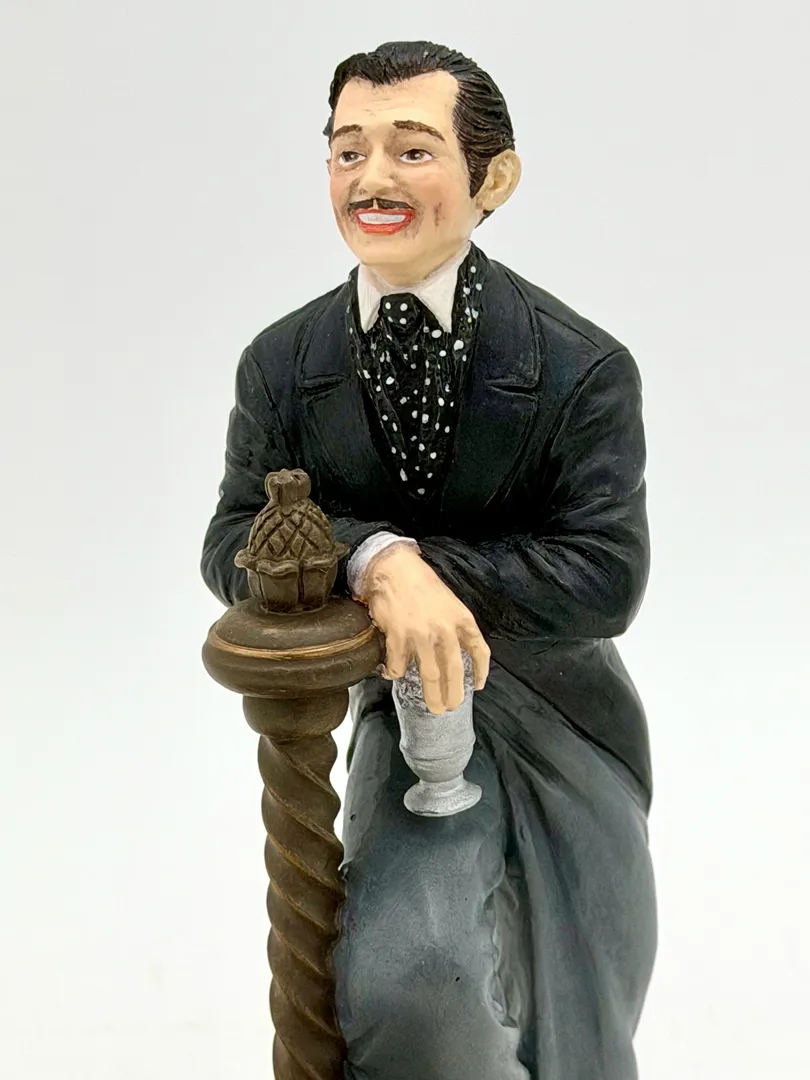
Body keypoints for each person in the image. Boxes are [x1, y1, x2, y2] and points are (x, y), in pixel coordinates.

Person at [201, 39, 656, 1080]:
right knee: (414, 980)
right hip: (402, 719)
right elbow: (233, 540)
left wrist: (429, 572)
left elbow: (605, 574)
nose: (373, 180)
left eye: (412, 150)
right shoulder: (283, 366)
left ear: (493, 179)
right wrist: (373, 560)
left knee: (581, 993)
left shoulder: (581, 368)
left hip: (563, 724)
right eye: (347, 151)